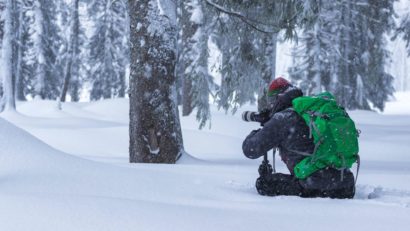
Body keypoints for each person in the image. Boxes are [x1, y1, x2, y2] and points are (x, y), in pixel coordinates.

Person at [242, 77, 355, 199]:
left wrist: (259, 131)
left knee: (265, 184)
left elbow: (250, 150)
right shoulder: (308, 112)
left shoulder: (283, 118)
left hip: (314, 185)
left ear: (277, 98)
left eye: (271, 100)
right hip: (345, 183)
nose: (270, 105)